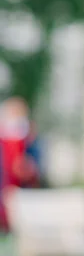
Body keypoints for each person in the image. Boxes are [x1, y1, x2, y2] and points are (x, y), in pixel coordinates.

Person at [0, 96, 41, 233]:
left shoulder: (30, 139)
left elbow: (35, 166)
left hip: (23, 190)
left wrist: (29, 167)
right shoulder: (3, 139)